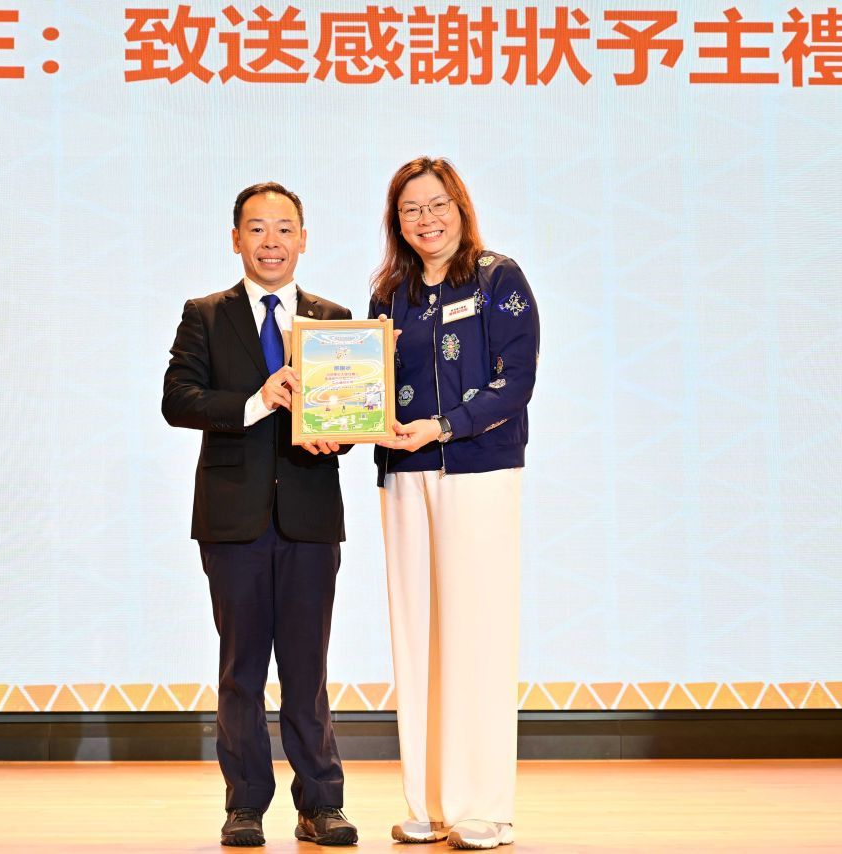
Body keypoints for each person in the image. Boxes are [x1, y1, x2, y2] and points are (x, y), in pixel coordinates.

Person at [162, 182, 358, 847]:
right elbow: (178, 399)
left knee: (307, 671)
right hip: (233, 520)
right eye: (257, 228)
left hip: (310, 517)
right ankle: (244, 805)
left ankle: (321, 805)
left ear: (304, 239)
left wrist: (341, 435)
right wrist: (257, 399)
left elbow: (351, 409)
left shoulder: (334, 319)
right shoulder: (205, 315)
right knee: (241, 672)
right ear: (235, 239)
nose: (271, 242)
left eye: (284, 228)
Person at [370, 158, 540, 850]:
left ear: (461, 207)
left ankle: (484, 807)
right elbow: (369, 386)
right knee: (416, 635)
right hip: (404, 474)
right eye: (411, 209)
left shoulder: (499, 279)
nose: (426, 219)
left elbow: (515, 383)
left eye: (437, 204)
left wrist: (444, 427)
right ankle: (431, 802)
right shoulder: (390, 295)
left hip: (478, 470)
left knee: (478, 632)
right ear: (397, 222)